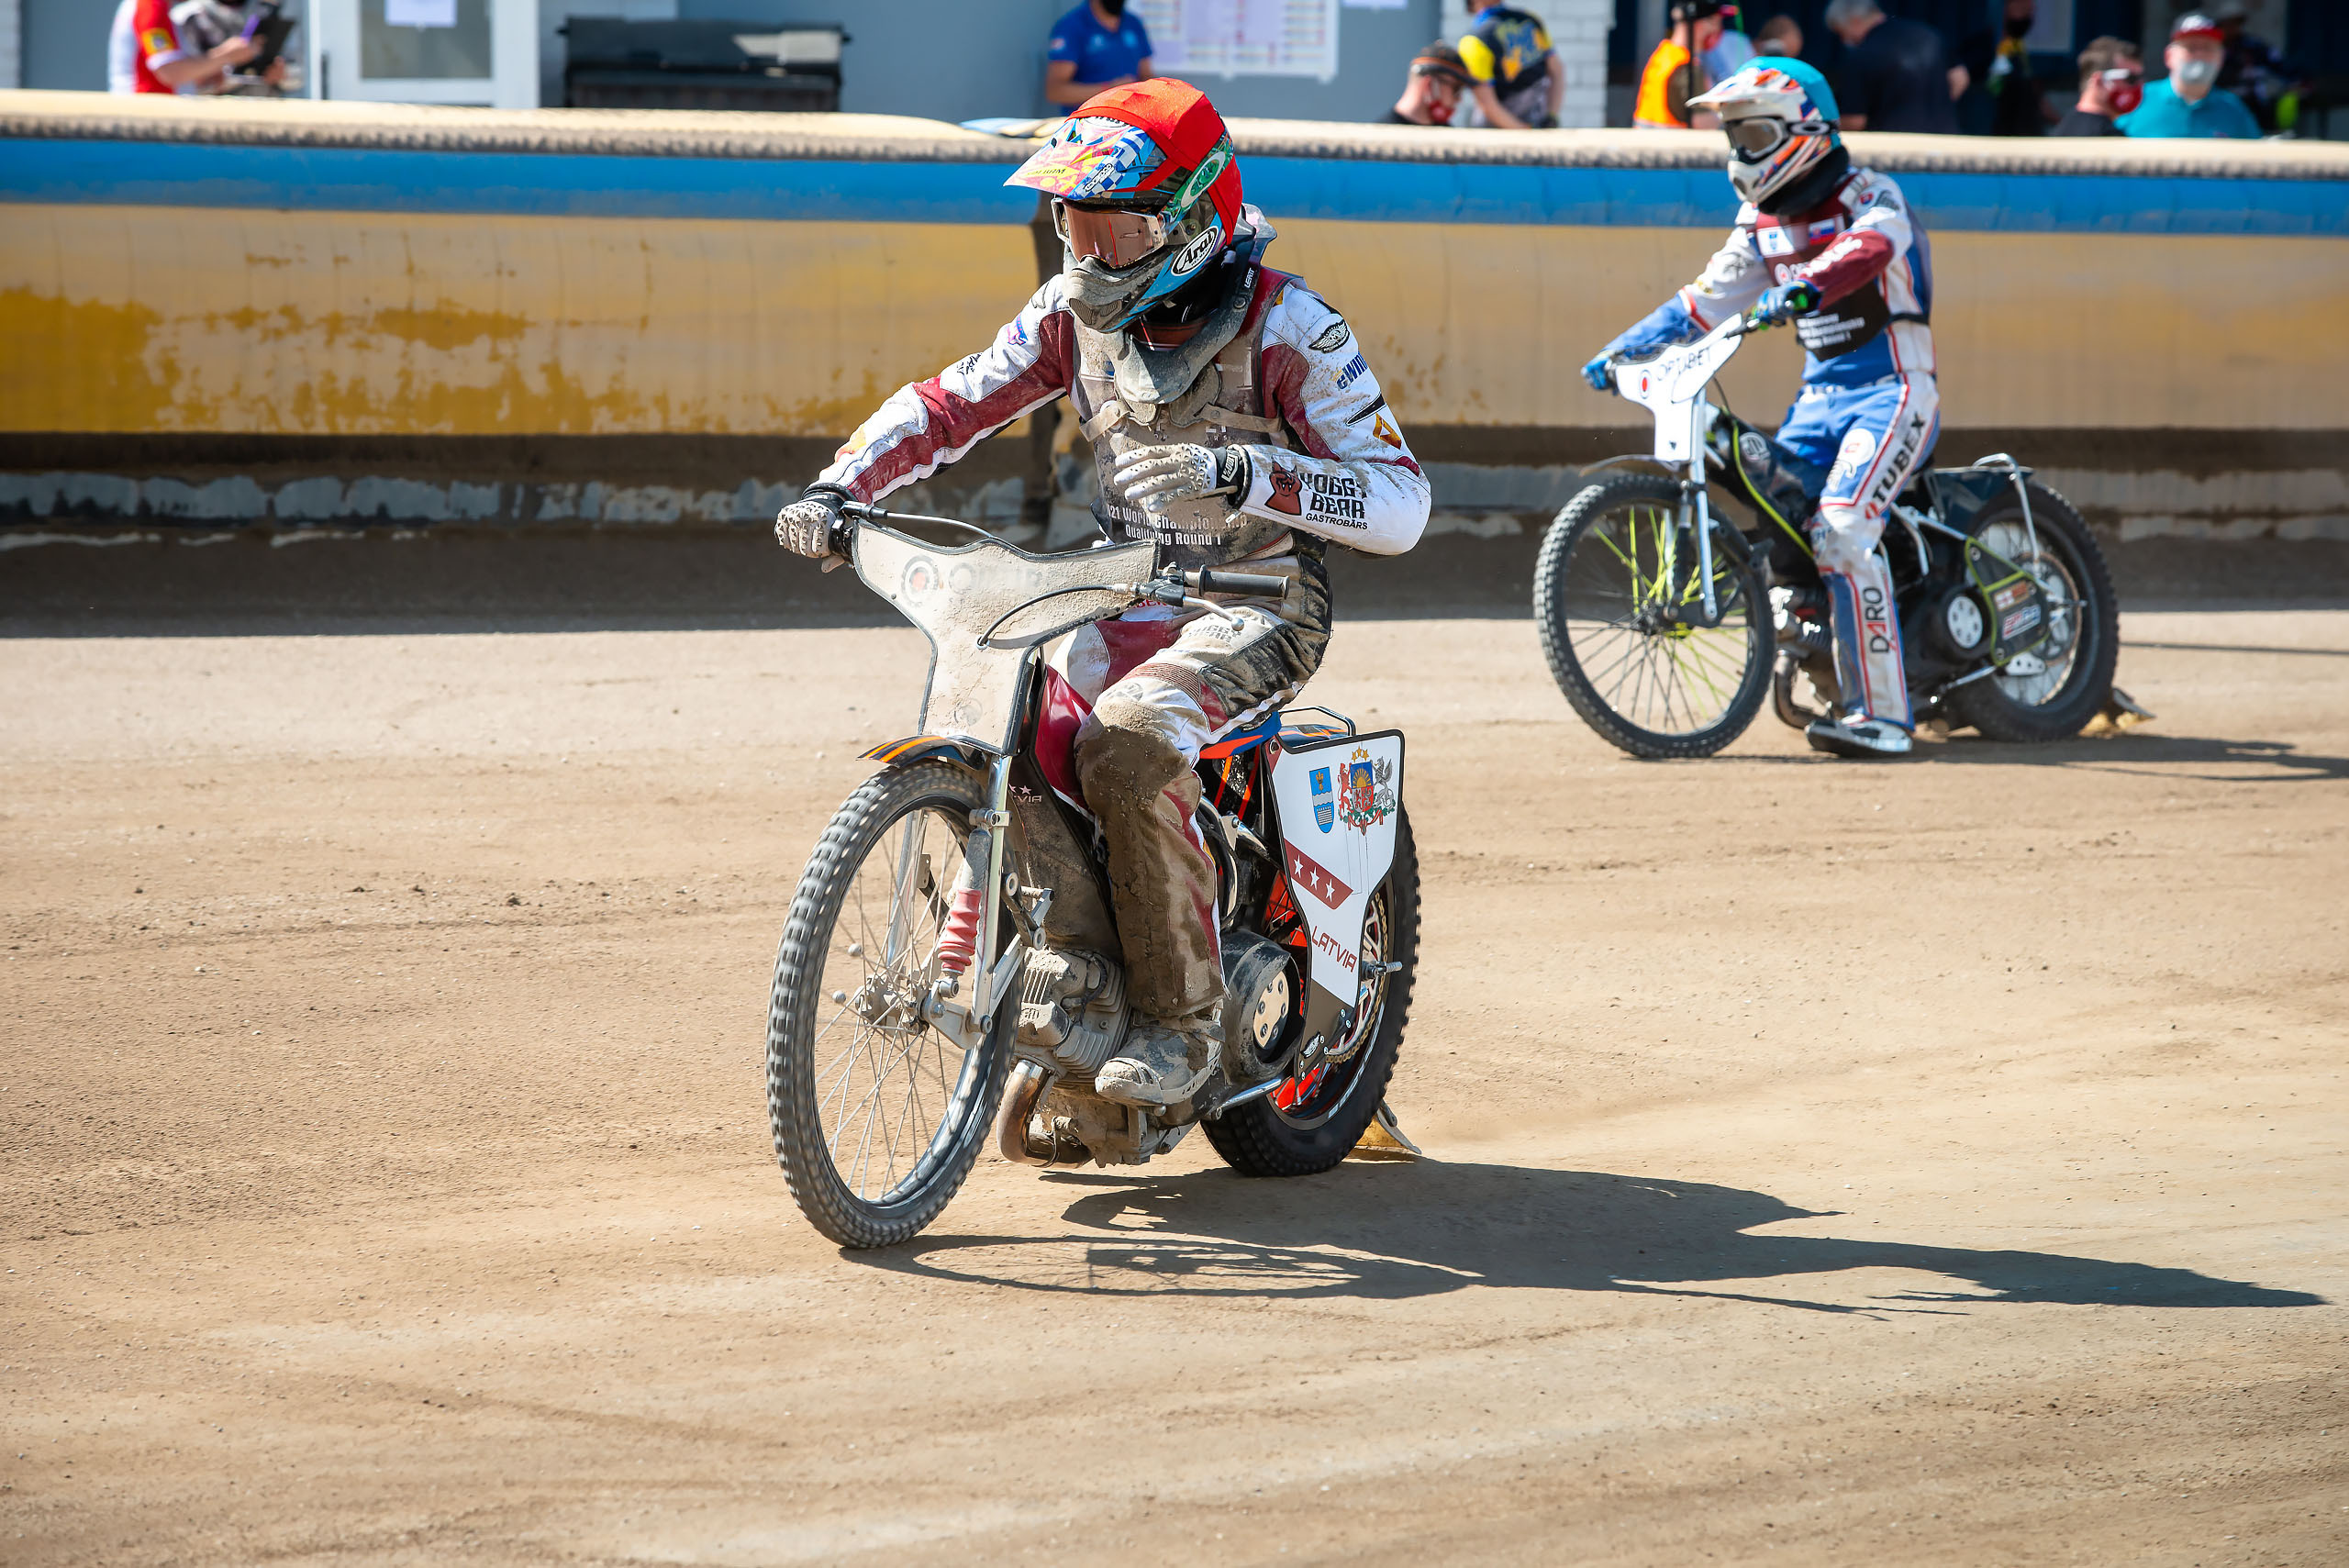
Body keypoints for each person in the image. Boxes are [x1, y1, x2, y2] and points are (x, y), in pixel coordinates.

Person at [774, 80, 1430, 1106]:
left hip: (1258, 603)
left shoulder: (1291, 325)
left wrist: (1255, 475)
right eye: (1071, 223)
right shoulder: (1065, 316)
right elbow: (950, 403)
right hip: (1116, 591)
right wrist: (839, 485)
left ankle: (1181, 1025)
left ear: (1193, 221)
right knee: (1012, 720)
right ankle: (1073, 976)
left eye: (1115, 230)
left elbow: (1401, 503)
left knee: (1126, 735)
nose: (1089, 255)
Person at [1580, 60, 1938, 760]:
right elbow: (1700, 304)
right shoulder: (1760, 223)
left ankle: (1885, 718)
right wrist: (1619, 351)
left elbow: (1871, 248)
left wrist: (1804, 287)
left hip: (1896, 390)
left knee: (1839, 527)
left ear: (1804, 128)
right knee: (1783, 524)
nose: (1742, 148)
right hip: (1819, 400)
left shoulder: (1870, 193)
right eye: (1733, 133)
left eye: (1754, 130)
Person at [1824, 0, 1965, 135]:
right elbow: (1960, 77)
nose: (1844, 40)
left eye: (1841, 33)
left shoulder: (1862, 53)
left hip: (1893, 146)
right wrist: (1936, 105)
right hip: (1945, 140)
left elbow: (1855, 121)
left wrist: (1823, 127)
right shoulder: (1928, 34)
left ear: (1855, 21)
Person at [2118, 12, 2261, 139]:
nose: (2200, 55)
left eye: (2208, 48)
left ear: (2221, 58)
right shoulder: (2135, 101)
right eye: (2190, 48)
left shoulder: (2234, 110)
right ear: (2169, 56)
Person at [107, 0, 263, 94]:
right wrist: (225, 55)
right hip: (141, 124)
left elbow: (181, 73)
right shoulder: (149, 6)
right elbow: (171, 72)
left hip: (154, 122)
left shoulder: (163, 9)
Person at [1455, 4, 1565, 129]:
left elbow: (1487, 105)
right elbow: (1557, 71)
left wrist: (1526, 132)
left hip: (1498, 133)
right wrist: (1551, 117)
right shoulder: (1530, 19)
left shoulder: (1472, 41)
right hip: (1537, 122)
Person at [1961, 0, 2051, 137]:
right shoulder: (1981, 49)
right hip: (1992, 140)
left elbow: (2034, 99)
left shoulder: (2019, 50)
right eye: (2023, 8)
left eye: (2030, 11)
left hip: (2024, 139)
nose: (2028, 15)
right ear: (2004, 8)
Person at [1045, 0, 1153, 109]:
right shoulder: (1071, 26)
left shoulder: (1133, 23)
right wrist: (1109, 90)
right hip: (1088, 120)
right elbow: (1056, 91)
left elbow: (1146, 76)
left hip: (1131, 118)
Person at [1634, 2, 1724, 130]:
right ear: (1698, 25)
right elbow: (1703, 123)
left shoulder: (1664, 54)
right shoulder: (1687, 68)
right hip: (1674, 147)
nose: (1718, 30)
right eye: (1715, 23)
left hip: (1651, 146)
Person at [2053, 36, 2142, 137]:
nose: (2140, 85)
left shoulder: (2066, 125)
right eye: (2131, 78)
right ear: (2099, 81)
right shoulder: (2108, 136)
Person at [1385, 40, 1471, 126]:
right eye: (1456, 88)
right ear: (1429, 84)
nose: (1459, 99)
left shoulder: (1448, 134)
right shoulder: (1381, 136)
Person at [1701, 5, 1756, 88]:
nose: (1713, 26)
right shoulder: (1690, 46)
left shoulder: (1739, 40)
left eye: (1717, 18)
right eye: (1709, 19)